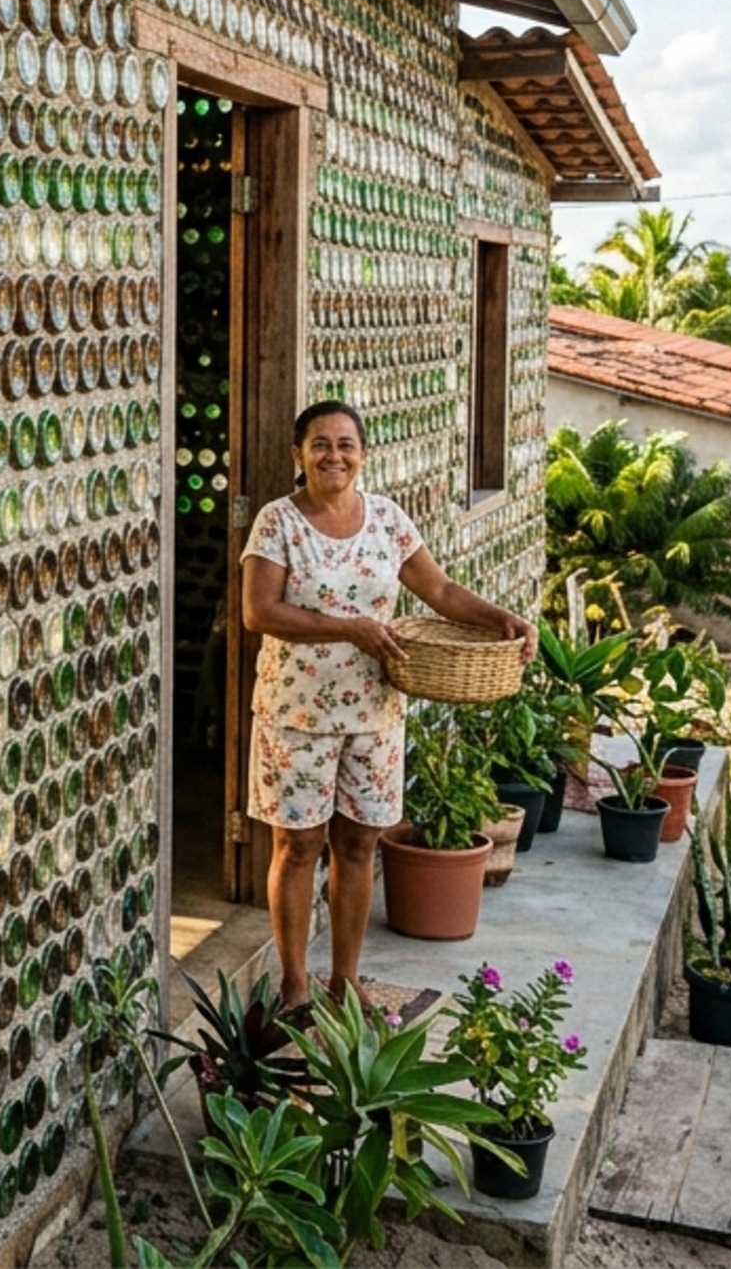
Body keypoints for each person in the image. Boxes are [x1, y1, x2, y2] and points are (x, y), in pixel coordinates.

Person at [240, 398, 534, 1010]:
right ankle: (296, 985)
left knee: (359, 846)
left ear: (363, 454)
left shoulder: (388, 520)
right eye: (320, 444)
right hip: (297, 716)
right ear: (299, 456)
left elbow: (441, 590)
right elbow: (259, 612)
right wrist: (349, 628)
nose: (334, 455)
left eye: (346, 444)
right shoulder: (278, 522)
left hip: (375, 713)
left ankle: (345, 982)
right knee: (298, 848)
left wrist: (502, 617)